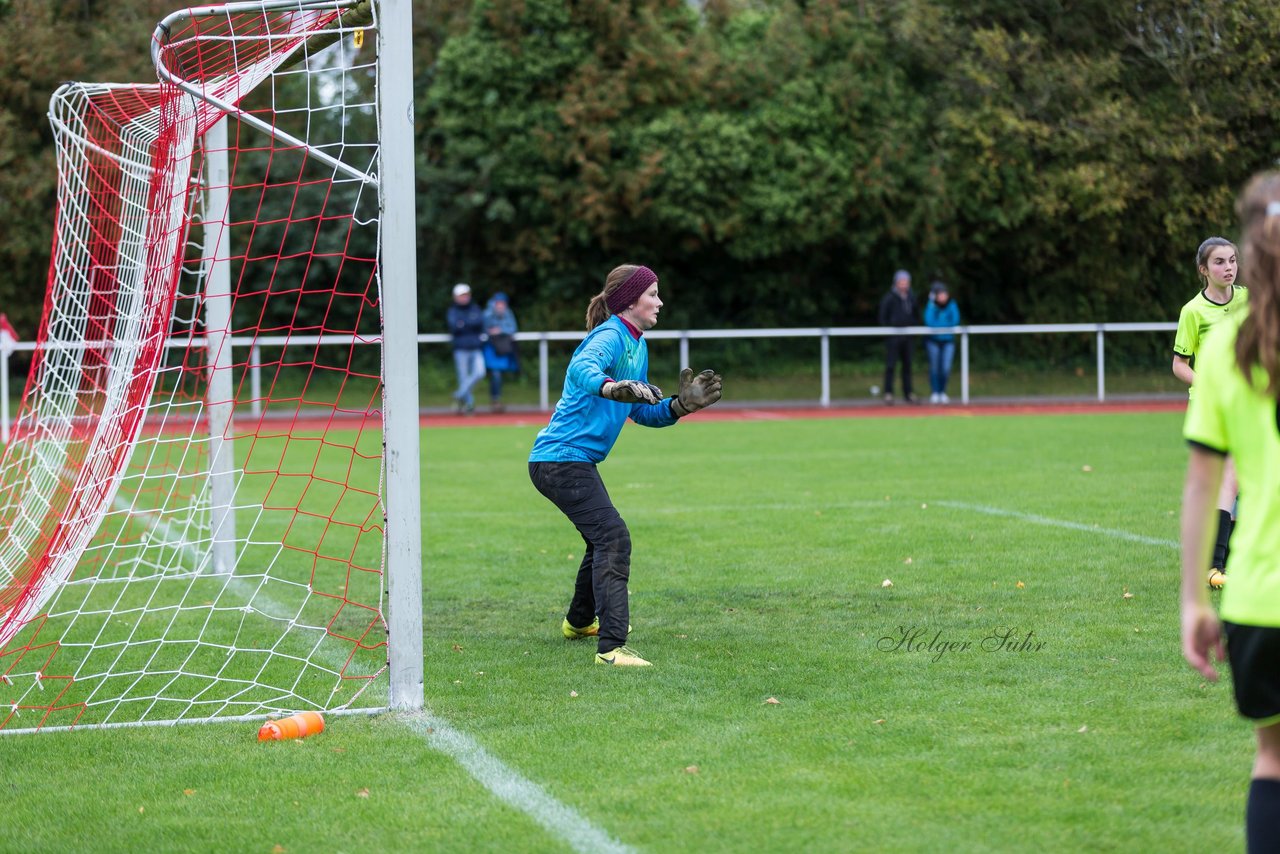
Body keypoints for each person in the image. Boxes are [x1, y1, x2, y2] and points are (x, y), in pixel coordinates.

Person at [528, 264, 723, 667]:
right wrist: (609, 386)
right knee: (613, 537)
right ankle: (611, 649)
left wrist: (680, 406)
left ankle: (580, 623)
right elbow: (582, 369)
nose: (659, 302)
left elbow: (642, 410)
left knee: (600, 538)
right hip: (559, 461)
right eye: (653, 294)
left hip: (570, 462)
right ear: (630, 301)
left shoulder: (637, 344)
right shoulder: (611, 335)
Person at [1181, 172, 1280, 853]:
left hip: (1256, 594)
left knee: (1272, 760)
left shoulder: (1226, 343)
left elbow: (1201, 483)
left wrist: (1193, 599)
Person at [1174, 237, 1248, 587]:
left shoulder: (1248, 299)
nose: (1229, 267)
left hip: (1249, 404)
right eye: (1219, 262)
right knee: (1231, 477)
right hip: (1212, 407)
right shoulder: (1193, 311)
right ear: (1204, 270)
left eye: (1232, 260)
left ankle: (1227, 562)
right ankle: (1214, 566)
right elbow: (1179, 364)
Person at [878, 269, 919, 404]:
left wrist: (913, 327)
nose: (903, 284)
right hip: (893, 337)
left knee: (907, 366)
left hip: (908, 337)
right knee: (890, 366)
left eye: (906, 282)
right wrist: (889, 331)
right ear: (896, 283)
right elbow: (882, 317)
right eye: (901, 281)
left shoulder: (911, 297)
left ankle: (908, 393)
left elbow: (916, 315)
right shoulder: (889, 298)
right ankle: (888, 393)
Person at [447, 283, 486, 414]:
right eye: (461, 295)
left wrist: (464, 324)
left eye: (466, 295)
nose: (464, 298)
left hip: (475, 347)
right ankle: (469, 405)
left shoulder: (475, 309)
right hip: (461, 348)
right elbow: (455, 327)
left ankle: (458, 395)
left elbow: (479, 323)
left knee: (480, 372)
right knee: (463, 377)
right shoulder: (453, 311)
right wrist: (468, 324)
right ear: (456, 297)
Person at [924, 281, 960, 404]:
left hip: (948, 341)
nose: (942, 296)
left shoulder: (952, 305)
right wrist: (931, 304)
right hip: (933, 341)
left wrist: (940, 326)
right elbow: (929, 322)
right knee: (934, 367)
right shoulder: (931, 306)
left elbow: (955, 321)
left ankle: (942, 392)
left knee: (945, 368)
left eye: (944, 294)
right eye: (939, 294)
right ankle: (935, 392)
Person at [482, 292, 519, 412]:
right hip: (492, 348)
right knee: (495, 374)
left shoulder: (508, 312)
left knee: (498, 375)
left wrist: (500, 330)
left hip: (502, 349)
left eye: (503, 303)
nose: (501, 306)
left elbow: (513, 328)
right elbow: (484, 329)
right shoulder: (487, 314)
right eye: (498, 303)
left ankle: (496, 401)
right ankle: (495, 401)